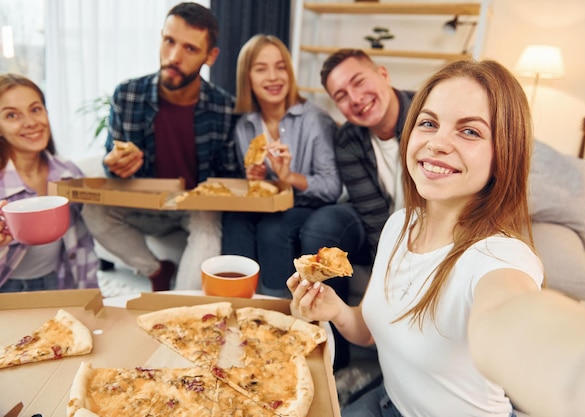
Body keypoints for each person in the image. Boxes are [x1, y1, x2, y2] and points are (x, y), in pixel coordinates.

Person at [288, 59, 585, 416]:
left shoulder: (500, 257)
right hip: (389, 401)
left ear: (503, 155)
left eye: (470, 132)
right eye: (429, 123)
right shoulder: (398, 225)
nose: (437, 143)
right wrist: (337, 311)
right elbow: (371, 332)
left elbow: (508, 316)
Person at [82, 2, 242, 292]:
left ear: (210, 56)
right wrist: (114, 164)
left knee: (208, 226)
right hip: (143, 203)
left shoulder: (225, 108)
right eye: (169, 41)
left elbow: (228, 177)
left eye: (190, 49)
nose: (173, 57)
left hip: (193, 207)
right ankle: (156, 270)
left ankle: (179, 309)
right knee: (93, 212)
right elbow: (113, 165)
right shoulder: (128, 95)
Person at [298, 48, 415, 370]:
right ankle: (334, 355)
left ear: (383, 73)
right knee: (320, 227)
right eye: (341, 96)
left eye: (359, 82)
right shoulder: (349, 139)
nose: (356, 98)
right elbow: (376, 216)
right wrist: (384, 272)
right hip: (380, 224)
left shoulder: (427, 118)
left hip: (426, 222)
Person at [221, 34, 341, 298]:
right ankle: (236, 301)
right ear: (247, 78)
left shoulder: (315, 120)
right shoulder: (245, 126)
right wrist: (257, 177)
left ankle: (276, 307)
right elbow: (260, 187)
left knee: (273, 228)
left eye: (280, 67)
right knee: (234, 221)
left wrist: (289, 177)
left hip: (308, 207)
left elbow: (332, 187)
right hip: (270, 205)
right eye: (261, 69)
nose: (273, 77)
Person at [0, 73, 99, 293]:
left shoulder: (68, 173)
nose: (31, 122)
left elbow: (83, 243)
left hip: (58, 281)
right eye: (12, 115)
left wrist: (90, 296)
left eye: (36, 109)